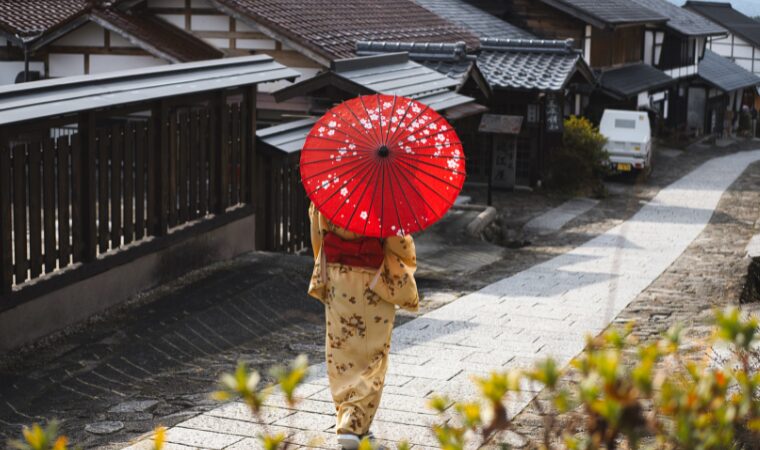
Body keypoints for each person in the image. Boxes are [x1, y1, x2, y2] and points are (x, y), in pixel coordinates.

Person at [308, 203, 419, 450]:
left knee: (341, 353)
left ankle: (350, 419)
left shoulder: (330, 191)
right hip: (372, 279)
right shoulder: (381, 193)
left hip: (338, 278)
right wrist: (407, 255)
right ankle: (354, 425)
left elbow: (318, 234)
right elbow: (399, 242)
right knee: (372, 356)